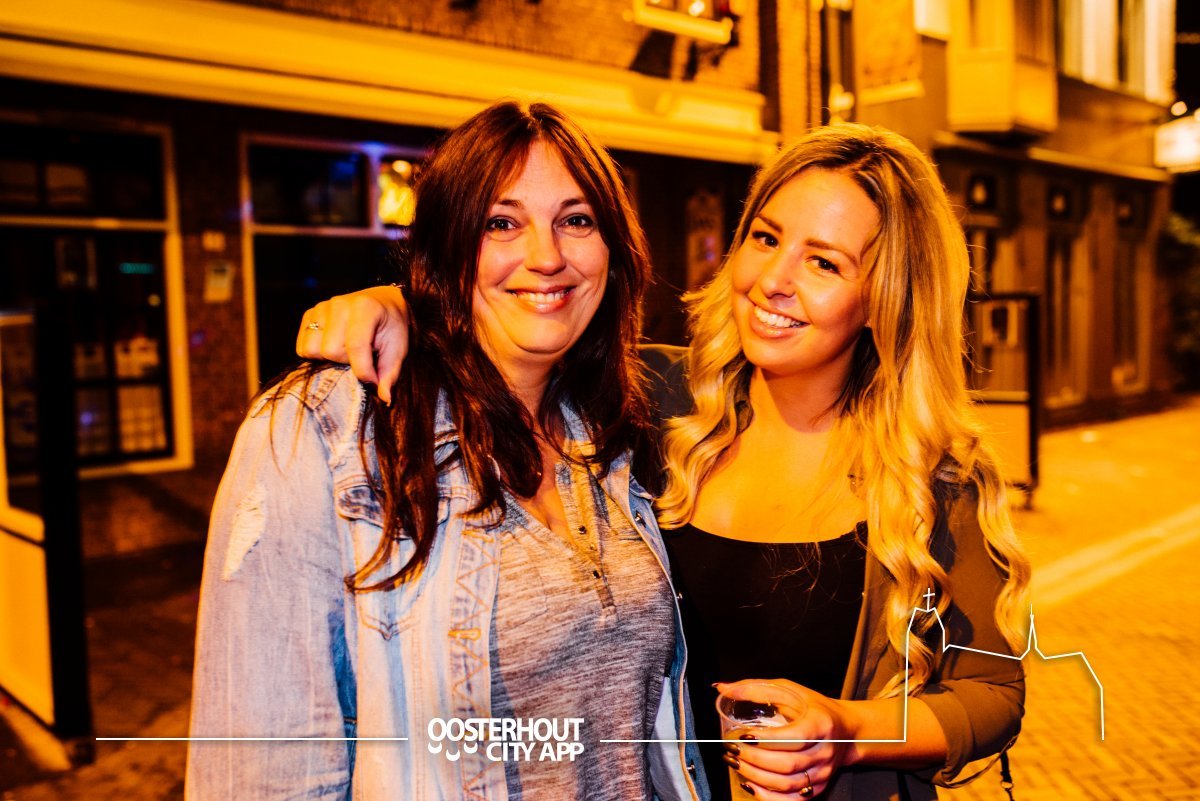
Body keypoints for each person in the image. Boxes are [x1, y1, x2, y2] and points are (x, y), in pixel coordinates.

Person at [296, 123, 1031, 801]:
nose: (774, 279)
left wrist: (846, 732)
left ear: (886, 297)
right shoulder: (653, 397)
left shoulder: (932, 472)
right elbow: (518, 318)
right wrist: (400, 305)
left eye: (824, 262)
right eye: (766, 237)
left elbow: (992, 694)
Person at [187, 100, 708, 801]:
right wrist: (405, 301)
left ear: (614, 249)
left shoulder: (621, 423)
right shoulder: (321, 430)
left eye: (577, 220)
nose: (546, 256)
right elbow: (260, 774)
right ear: (450, 245)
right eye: (501, 223)